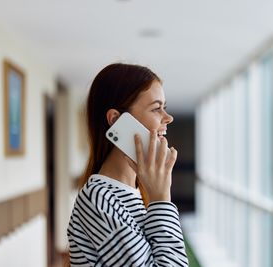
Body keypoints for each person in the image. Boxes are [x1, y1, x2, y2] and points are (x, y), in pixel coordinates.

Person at [67, 63, 189, 266]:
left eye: (164, 108)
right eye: (156, 108)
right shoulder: (99, 198)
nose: (168, 118)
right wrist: (162, 199)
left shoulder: (137, 191)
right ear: (116, 120)